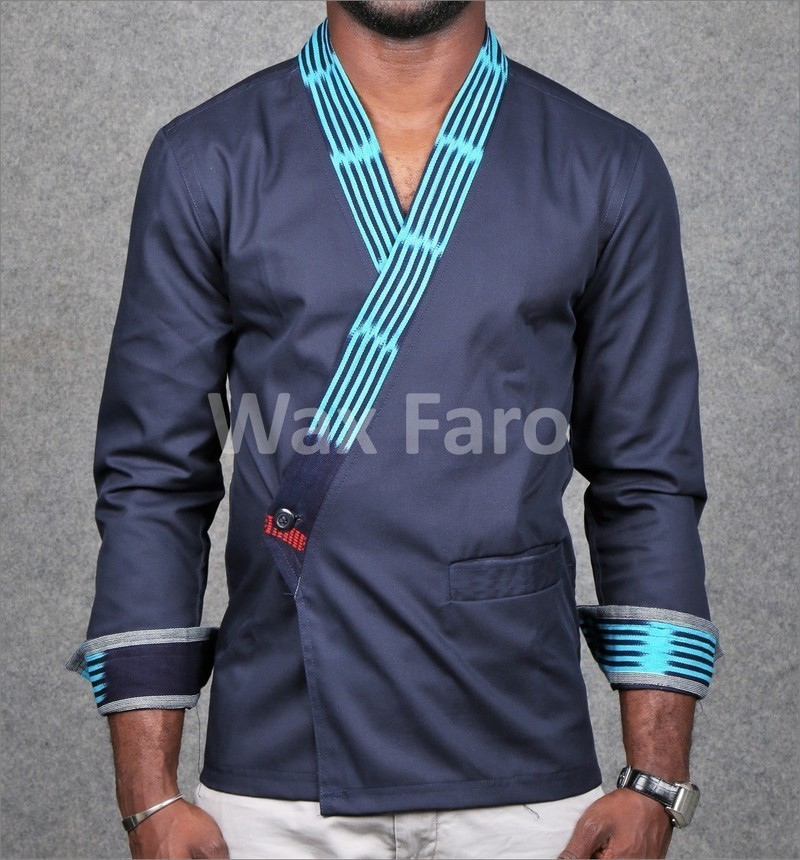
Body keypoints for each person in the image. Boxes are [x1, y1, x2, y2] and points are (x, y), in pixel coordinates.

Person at [67, 1, 721, 858]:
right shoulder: (205, 159)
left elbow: (648, 483)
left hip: (527, 778)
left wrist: (655, 780)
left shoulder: (606, 166)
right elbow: (153, 481)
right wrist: (148, 796)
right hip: (275, 779)